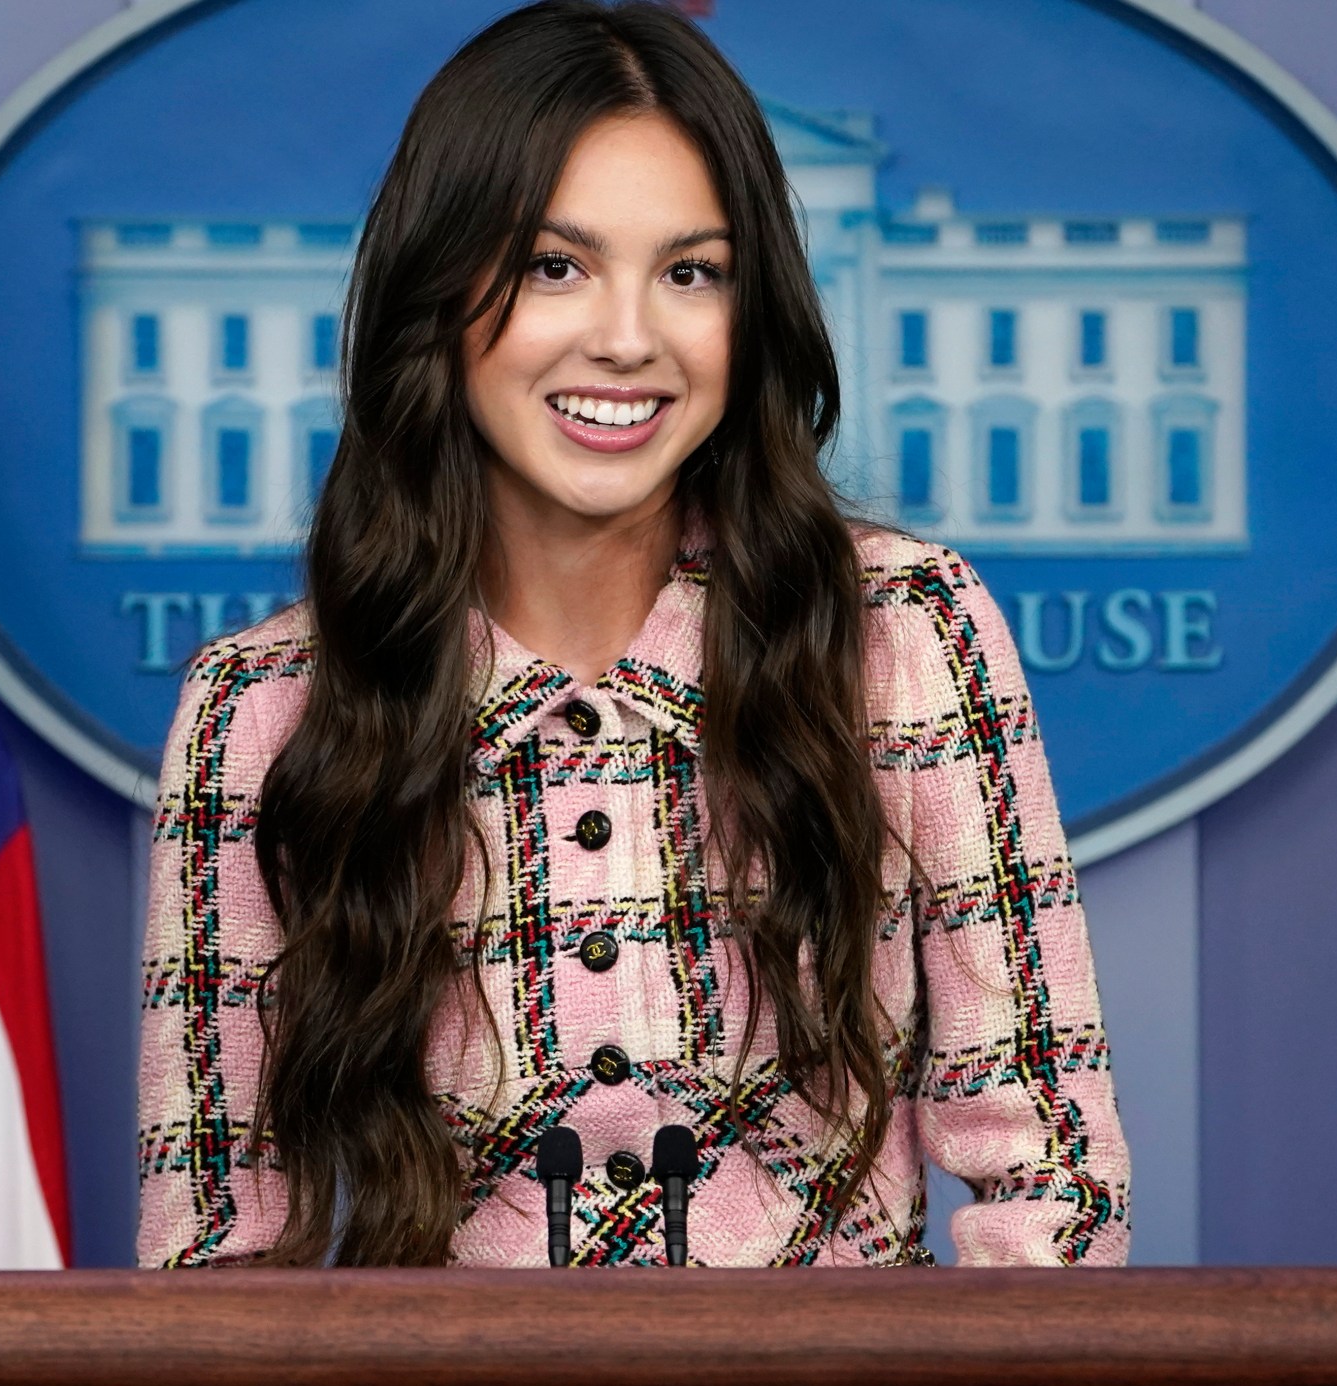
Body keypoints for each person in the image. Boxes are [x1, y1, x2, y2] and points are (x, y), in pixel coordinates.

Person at [136, 0, 1129, 1268]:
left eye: (690, 271)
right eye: (555, 265)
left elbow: (1054, 1178)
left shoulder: (901, 631)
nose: (626, 337)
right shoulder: (261, 707)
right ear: (435, 296)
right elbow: (216, 1245)